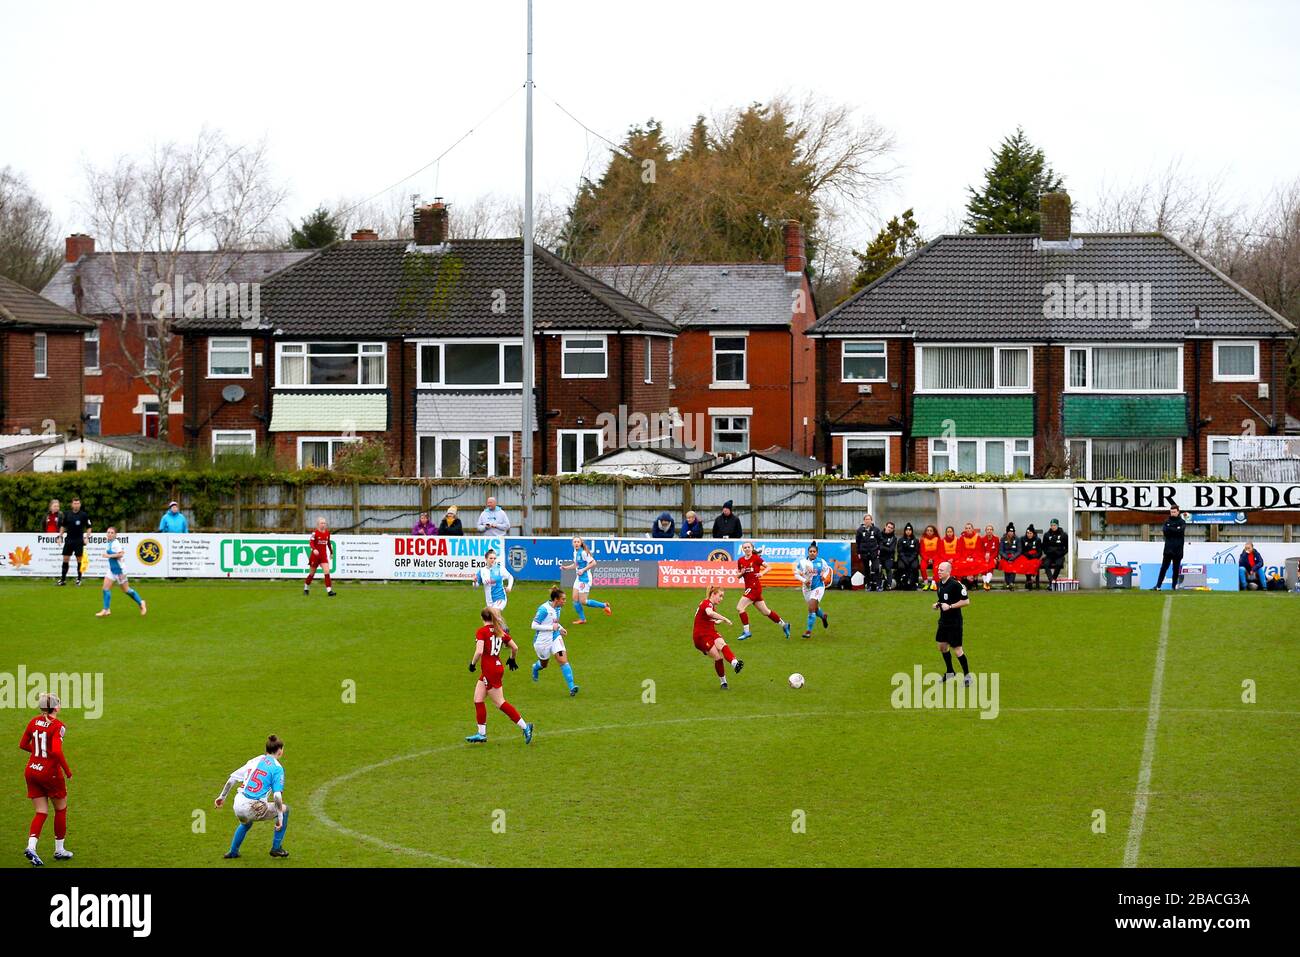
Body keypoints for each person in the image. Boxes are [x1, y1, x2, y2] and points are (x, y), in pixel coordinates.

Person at [215, 734, 290, 859]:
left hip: (238, 804)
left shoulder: (257, 759)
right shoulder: (278, 768)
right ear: (280, 751)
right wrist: (280, 817)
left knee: (246, 823)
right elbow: (277, 796)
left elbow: (231, 780)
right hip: (253, 806)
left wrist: (221, 797)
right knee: (285, 809)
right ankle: (276, 848)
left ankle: (233, 851)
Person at [466, 607, 533, 744]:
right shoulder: (499, 631)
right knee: (478, 699)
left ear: (482, 618)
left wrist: (472, 664)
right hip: (495, 667)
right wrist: (512, 659)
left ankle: (525, 727)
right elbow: (515, 647)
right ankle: (481, 734)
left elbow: (479, 651)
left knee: (500, 702)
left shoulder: (482, 631)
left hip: (490, 670)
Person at [20, 692, 73, 866]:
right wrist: (67, 770)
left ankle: (31, 847)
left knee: (41, 812)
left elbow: (22, 744)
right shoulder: (58, 726)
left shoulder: (33, 721)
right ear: (56, 707)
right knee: (61, 808)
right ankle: (59, 849)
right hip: (49, 773)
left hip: (31, 770)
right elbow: (57, 752)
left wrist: (38, 753)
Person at [736, 541, 791, 639]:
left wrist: (762, 573)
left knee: (740, 608)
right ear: (742, 549)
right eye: (745, 547)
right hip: (749, 587)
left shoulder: (756, 558)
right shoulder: (740, 560)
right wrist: (742, 573)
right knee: (765, 611)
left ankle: (746, 632)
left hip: (754, 587)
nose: (747, 549)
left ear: (752, 548)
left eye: (748, 547)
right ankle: (784, 625)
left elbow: (769, 567)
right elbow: (738, 575)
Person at [693, 586, 744, 690]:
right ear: (713, 594)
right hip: (701, 637)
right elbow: (709, 613)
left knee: (721, 643)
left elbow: (709, 618)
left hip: (710, 632)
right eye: (720, 596)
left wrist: (718, 621)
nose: (721, 599)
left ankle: (735, 664)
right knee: (718, 657)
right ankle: (723, 682)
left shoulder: (711, 606)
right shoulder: (706, 603)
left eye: (723, 597)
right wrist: (724, 618)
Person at [530, 587, 578, 696]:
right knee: (544, 664)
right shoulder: (544, 609)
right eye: (563, 599)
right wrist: (552, 627)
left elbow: (555, 622)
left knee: (563, 660)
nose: (565, 601)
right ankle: (535, 668)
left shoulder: (558, 608)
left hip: (555, 637)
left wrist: (560, 628)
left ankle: (572, 687)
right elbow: (534, 625)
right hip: (542, 641)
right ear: (556, 599)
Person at [932, 561, 973, 688]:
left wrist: (950, 606)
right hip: (943, 621)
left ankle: (967, 676)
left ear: (949, 572)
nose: (939, 572)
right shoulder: (939, 584)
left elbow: (966, 602)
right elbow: (943, 600)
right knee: (942, 646)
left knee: (957, 650)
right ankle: (950, 672)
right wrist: (937, 604)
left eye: (941, 570)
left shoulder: (956, 585)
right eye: (938, 570)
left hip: (954, 623)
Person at [94, 527, 146, 618]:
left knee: (126, 590)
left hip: (120, 571)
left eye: (112, 533)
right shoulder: (109, 543)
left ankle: (141, 602)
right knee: (105, 588)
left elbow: (121, 554)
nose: (110, 534)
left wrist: (108, 555)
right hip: (112, 569)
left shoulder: (116, 543)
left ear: (115, 535)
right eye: (108, 532)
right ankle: (106, 610)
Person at [561, 536, 611, 624]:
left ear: (580, 543)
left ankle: (604, 605)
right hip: (578, 578)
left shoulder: (584, 553)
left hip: (585, 579)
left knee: (583, 601)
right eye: (575, 542)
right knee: (575, 599)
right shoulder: (575, 553)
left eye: (578, 542)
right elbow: (576, 564)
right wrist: (566, 568)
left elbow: (594, 563)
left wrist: (583, 570)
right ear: (572, 543)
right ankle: (582, 619)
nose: (576, 543)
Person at [793, 541, 831, 639]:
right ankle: (823, 617)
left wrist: (824, 576)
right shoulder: (802, 562)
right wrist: (804, 580)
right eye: (810, 551)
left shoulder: (821, 561)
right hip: (806, 589)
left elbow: (827, 570)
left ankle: (808, 631)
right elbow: (796, 574)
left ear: (817, 553)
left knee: (811, 608)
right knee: (815, 608)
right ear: (808, 552)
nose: (812, 553)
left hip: (818, 587)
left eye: (814, 551)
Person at [473, 547, 514, 630]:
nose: (493, 560)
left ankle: (504, 631)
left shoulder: (500, 568)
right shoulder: (482, 571)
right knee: (492, 620)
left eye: (494, 558)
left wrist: (509, 587)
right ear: (486, 559)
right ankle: (503, 631)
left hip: (500, 597)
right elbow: (476, 586)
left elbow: (510, 577)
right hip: (489, 601)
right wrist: (474, 581)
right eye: (491, 558)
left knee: (494, 613)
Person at [57, 497, 91, 586]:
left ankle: (79, 579)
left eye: (78, 503)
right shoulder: (67, 514)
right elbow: (63, 526)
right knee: (65, 559)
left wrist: (87, 537)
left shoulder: (84, 515)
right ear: (72, 504)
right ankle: (63, 580)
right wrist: (60, 536)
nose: (76, 505)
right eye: (75, 503)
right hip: (69, 540)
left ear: (80, 504)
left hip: (79, 540)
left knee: (79, 560)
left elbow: (89, 527)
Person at [1152, 505, 1187, 591]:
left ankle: (1173, 586)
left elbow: (1180, 531)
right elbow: (1165, 531)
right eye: (1171, 512)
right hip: (1168, 549)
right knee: (1163, 568)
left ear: (1178, 512)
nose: (1173, 513)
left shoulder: (1182, 522)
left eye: (1174, 512)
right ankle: (1158, 586)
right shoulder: (1166, 521)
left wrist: (1171, 529)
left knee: (1175, 569)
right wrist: (1174, 529)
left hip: (1178, 550)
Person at [304, 516, 335, 597]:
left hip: (323, 556)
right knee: (312, 574)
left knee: (327, 572)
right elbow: (311, 543)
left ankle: (329, 591)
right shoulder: (315, 533)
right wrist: (314, 549)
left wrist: (331, 553)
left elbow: (328, 543)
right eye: (322, 523)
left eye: (324, 523)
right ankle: (306, 588)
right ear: (318, 524)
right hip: (315, 557)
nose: (323, 524)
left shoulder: (327, 533)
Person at [855, 513, 883, 590]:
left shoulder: (876, 530)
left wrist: (879, 549)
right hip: (864, 552)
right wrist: (858, 552)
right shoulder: (860, 530)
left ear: (871, 520)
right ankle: (868, 585)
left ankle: (879, 585)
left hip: (874, 552)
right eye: (866, 519)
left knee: (876, 568)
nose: (868, 521)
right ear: (864, 521)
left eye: (869, 519)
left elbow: (880, 540)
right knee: (866, 569)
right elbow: (858, 542)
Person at [1042, 518, 1069, 587]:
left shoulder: (1064, 535)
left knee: (1059, 564)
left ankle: (1052, 582)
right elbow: (1044, 546)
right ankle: (1052, 581)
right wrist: (1047, 552)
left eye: (1054, 525)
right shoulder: (1047, 535)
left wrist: (1062, 553)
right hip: (1050, 555)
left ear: (1057, 525)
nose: (1053, 527)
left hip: (1059, 555)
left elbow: (1067, 547)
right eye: (1051, 525)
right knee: (1046, 564)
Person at [895, 523, 920, 591]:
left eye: (909, 530)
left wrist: (911, 559)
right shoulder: (900, 540)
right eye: (907, 530)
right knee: (901, 567)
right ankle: (901, 583)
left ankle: (913, 583)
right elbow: (900, 551)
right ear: (904, 531)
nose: (908, 531)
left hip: (913, 558)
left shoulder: (915, 540)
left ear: (912, 531)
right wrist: (905, 560)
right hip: (903, 558)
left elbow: (916, 552)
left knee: (914, 567)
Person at [1019, 525, 1044, 590]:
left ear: (1033, 533)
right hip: (1025, 556)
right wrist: (1026, 554)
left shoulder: (1037, 540)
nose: (1029, 535)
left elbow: (1040, 552)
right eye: (1028, 533)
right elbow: (1021, 550)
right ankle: (1029, 579)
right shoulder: (1022, 539)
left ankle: (1028, 581)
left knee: (1033, 563)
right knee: (1024, 562)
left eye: (1030, 533)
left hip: (1034, 557)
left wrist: (1033, 556)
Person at [999, 524, 1022, 590]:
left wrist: (1013, 558)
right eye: (1009, 531)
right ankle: (1008, 583)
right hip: (1005, 557)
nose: (1011, 533)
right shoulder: (1003, 539)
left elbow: (1019, 550)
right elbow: (1001, 550)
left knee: (1013, 565)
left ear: (1014, 532)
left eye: (1012, 531)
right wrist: (1006, 557)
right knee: (1006, 565)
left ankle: (1011, 583)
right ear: (1007, 532)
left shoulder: (1017, 539)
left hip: (1014, 557)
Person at [919, 524, 941, 591]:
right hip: (926, 558)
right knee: (922, 567)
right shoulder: (923, 540)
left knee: (936, 568)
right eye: (927, 530)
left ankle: (933, 584)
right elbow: (921, 552)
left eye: (931, 530)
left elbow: (939, 551)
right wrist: (927, 559)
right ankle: (926, 583)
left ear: (934, 532)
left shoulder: (937, 539)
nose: (929, 532)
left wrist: (933, 559)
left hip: (935, 558)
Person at [978, 524, 1000, 591]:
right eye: (988, 529)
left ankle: (986, 582)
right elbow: (981, 550)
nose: (989, 531)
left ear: (992, 531)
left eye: (990, 529)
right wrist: (985, 557)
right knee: (983, 565)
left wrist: (992, 558)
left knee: (992, 563)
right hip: (984, 558)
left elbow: (996, 550)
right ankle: (986, 583)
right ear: (985, 531)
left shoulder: (996, 539)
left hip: (993, 558)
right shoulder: (982, 539)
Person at [879, 521, 898, 591]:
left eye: (891, 528)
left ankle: (889, 585)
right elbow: (879, 546)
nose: (889, 529)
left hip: (889, 557)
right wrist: (886, 546)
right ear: (885, 527)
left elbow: (891, 549)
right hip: (880, 556)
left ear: (893, 530)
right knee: (877, 567)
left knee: (888, 568)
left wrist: (883, 546)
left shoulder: (894, 538)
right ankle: (879, 584)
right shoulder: (879, 535)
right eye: (888, 527)